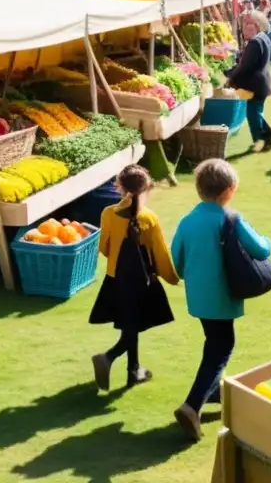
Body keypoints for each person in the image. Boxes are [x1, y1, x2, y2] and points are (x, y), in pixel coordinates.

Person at [171, 160, 271, 441]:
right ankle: (192, 406)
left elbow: (176, 261)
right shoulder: (231, 219)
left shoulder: (187, 221)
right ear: (230, 189)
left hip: (198, 297)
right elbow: (261, 250)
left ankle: (214, 392)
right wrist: (268, 239)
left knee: (213, 341)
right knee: (221, 347)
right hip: (222, 296)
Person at [90, 165, 179, 392]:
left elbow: (105, 248)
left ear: (119, 186)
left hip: (116, 280)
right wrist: (172, 277)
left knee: (130, 324)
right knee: (133, 325)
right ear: (147, 187)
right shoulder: (149, 218)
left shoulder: (108, 213)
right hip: (142, 282)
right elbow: (159, 252)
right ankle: (108, 357)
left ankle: (134, 370)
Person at [226, 10, 271, 152]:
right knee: (256, 112)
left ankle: (261, 140)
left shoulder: (255, 42)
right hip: (261, 82)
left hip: (256, 84)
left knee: (253, 114)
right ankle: (269, 136)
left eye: (247, 24)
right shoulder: (263, 37)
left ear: (256, 25)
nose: (244, 28)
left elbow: (245, 66)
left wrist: (231, 76)